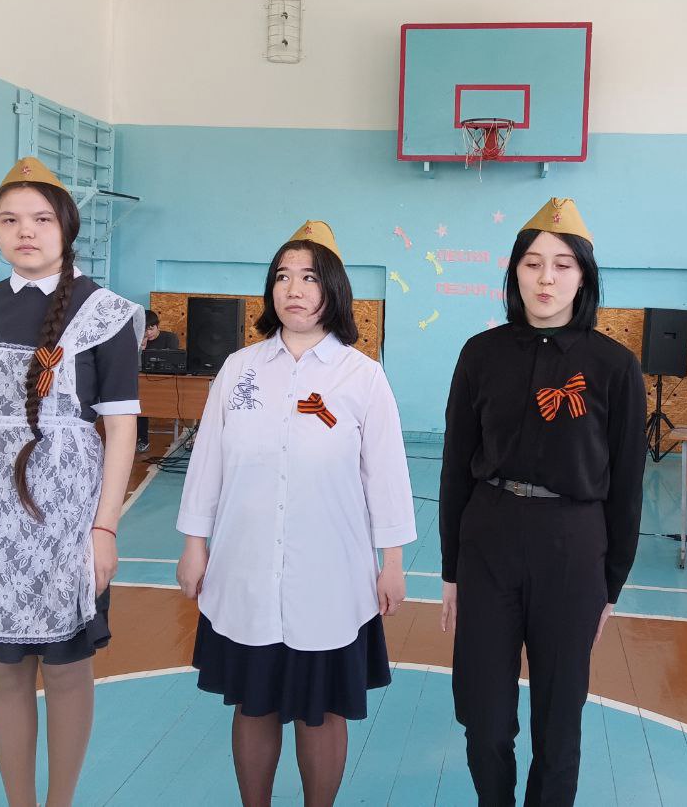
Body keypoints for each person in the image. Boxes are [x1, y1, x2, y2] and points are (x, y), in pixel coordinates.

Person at [0, 156, 143, 807]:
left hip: (68, 513)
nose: (25, 231)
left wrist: (105, 528)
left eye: (41, 219)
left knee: (68, 668)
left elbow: (121, 428)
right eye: (10, 219)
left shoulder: (105, 313)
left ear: (66, 227)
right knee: (0, 669)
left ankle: (59, 801)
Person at [176, 219, 416, 807]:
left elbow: (385, 475)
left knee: (322, 709)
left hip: (331, 575)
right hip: (246, 568)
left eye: (309, 277)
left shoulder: (361, 377)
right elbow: (208, 463)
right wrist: (194, 545)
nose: (294, 289)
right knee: (253, 703)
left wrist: (392, 562)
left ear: (333, 289)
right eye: (283, 277)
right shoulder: (240, 370)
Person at [439, 198, 647, 807]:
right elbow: (455, 467)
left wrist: (610, 585)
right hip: (489, 541)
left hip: (572, 545)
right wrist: (451, 569)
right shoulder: (480, 355)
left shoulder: (614, 367)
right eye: (532, 264)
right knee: (484, 717)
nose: (546, 278)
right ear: (515, 274)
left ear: (584, 277)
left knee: (559, 722)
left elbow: (628, 484)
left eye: (562, 265)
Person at [136, 309, 180, 452]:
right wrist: (141, 348)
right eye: (145, 330)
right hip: (145, 384)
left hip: (166, 383)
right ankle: (142, 440)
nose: (148, 333)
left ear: (157, 326)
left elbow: (172, 362)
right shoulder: (139, 340)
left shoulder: (170, 338)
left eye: (151, 329)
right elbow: (136, 366)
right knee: (140, 402)